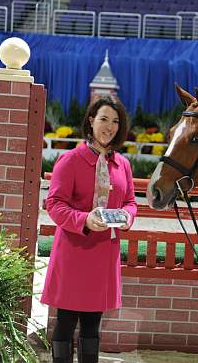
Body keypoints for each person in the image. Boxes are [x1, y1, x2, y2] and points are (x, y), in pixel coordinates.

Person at [41, 97, 137, 363]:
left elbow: (130, 202)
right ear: (91, 120)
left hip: (104, 252)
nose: (110, 126)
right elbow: (54, 204)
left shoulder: (123, 165)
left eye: (115, 121)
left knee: (93, 326)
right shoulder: (69, 160)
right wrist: (83, 219)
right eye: (104, 119)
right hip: (73, 251)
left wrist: (127, 217)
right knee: (66, 323)